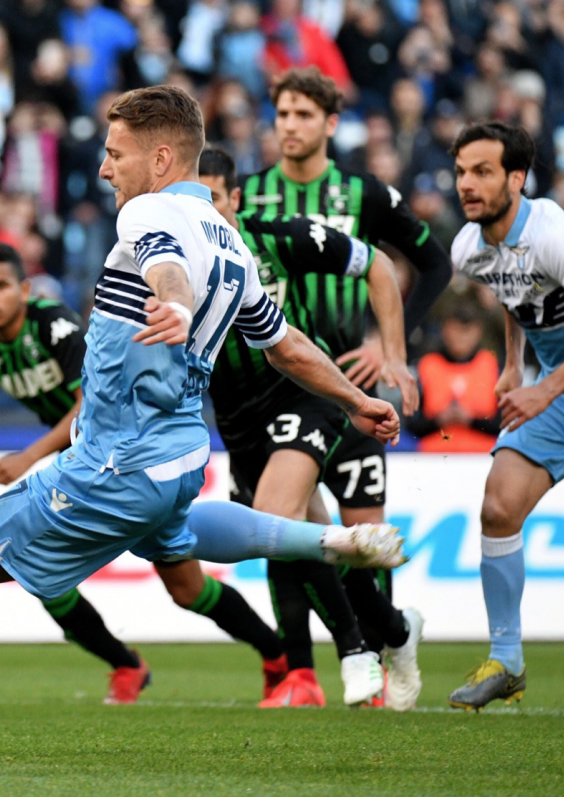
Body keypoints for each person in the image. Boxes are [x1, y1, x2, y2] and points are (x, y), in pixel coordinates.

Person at [0, 85, 405, 763]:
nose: (105, 170)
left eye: (115, 155)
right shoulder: (230, 240)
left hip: (117, 460)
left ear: (160, 158)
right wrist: (352, 400)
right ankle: (329, 541)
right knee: (182, 531)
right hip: (178, 457)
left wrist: (172, 302)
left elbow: (164, 263)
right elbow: (284, 344)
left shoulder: (147, 212)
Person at [0, 241, 288, 704]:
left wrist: (28, 455)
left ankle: (277, 655)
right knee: (41, 575)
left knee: (187, 589)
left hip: (134, 456)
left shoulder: (53, 326)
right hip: (82, 466)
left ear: (25, 290)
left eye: (0, 286)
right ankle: (126, 665)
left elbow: (84, 402)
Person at [238, 68, 451, 703]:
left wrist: (389, 346)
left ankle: (386, 643)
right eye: (282, 114)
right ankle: (311, 666)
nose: (291, 126)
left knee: (360, 538)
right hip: (278, 390)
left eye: (305, 115)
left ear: (331, 124)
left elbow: (432, 263)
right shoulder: (246, 199)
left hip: (348, 388)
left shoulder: (364, 194)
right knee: (284, 526)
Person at [199, 145, 424, 710]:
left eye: (211, 200)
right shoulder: (167, 263)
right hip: (239, 422)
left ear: (236, 198)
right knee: (312, 542)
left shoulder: (277, 237)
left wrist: (391, 352)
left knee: (275, 519)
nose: (201, 213)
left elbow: (377, 264)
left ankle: (352, 651)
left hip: (304, 392)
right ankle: (396, 631)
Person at [447, 122, 564, 710]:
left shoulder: (558, 237)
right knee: (498, 507)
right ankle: (507, 660)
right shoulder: (468, 248)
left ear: (516, 179)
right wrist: (512, 365)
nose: (467, 185)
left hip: (558, 388)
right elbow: (514, 295)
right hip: (560, 394)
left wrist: (543, 387)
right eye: (460, 172)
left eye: (482, 172)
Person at [409, 304, 501, 453]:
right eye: (456, 330)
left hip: (482, 457)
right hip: (433, 457)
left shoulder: (491, 365)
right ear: (445, 330)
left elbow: (504, 423)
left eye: (466, 331)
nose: (461, 338)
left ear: (478, 332)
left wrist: (471, 419)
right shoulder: (427, 365)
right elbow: (411, 424)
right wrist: (440, 420)